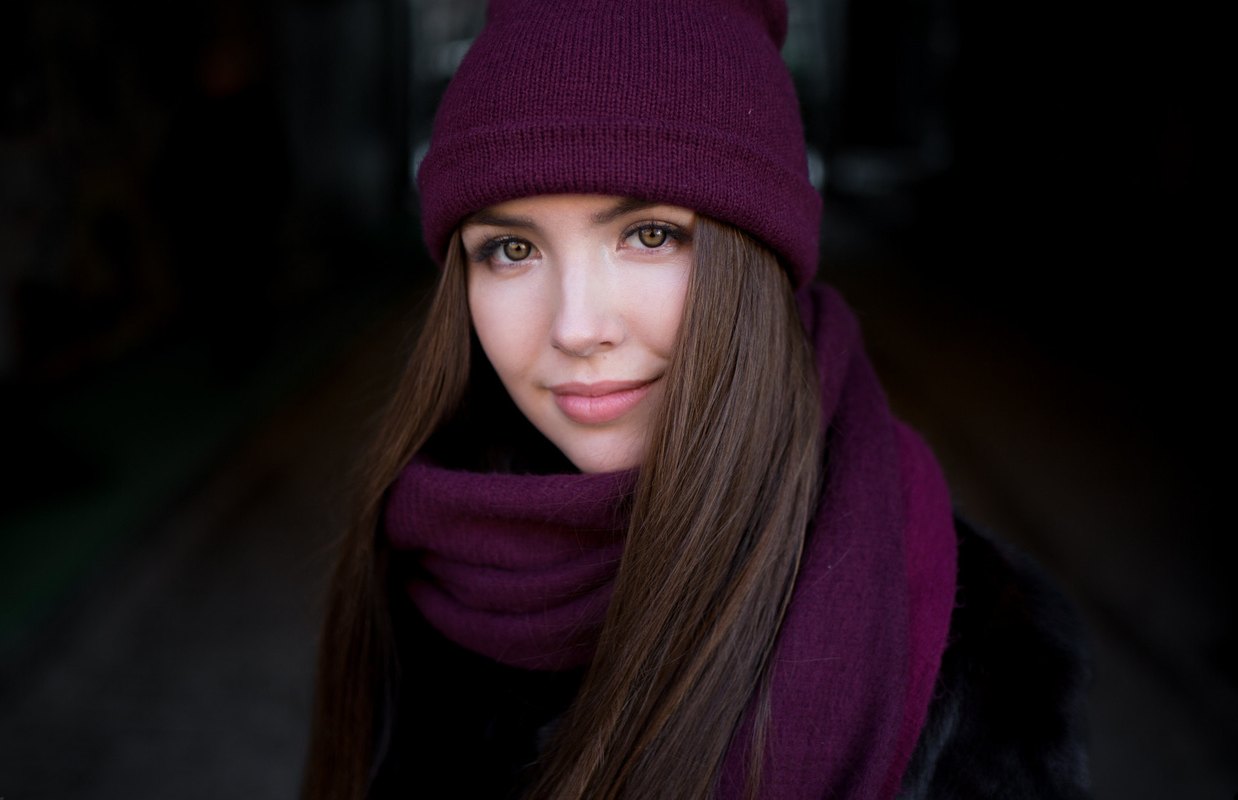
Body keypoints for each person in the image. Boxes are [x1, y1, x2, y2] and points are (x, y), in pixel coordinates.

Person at [302, 0, 1091, 797]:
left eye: (649, 235)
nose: (577, 327)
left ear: (758, 258)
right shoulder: (421, 571)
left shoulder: (974, 648)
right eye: (511, 249)